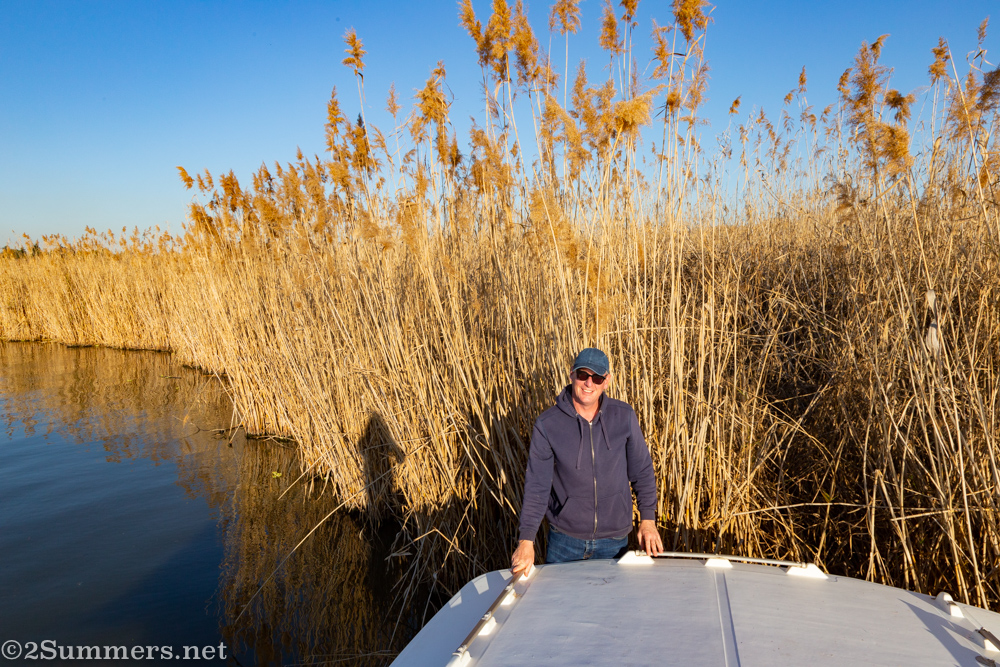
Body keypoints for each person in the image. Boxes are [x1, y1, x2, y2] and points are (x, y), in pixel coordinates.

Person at [511, 347, 663, 577]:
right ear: (572, 374)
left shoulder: (624, 416)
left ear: (607, 381)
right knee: (561, 609)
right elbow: (537, 486)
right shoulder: (547, 424)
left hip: (614, 541)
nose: (588, 383)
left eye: (597, 377)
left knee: (609, 611)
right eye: (583, 375)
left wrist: (648, 520)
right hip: (565, 541)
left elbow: (641, 471)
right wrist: (526, 540)